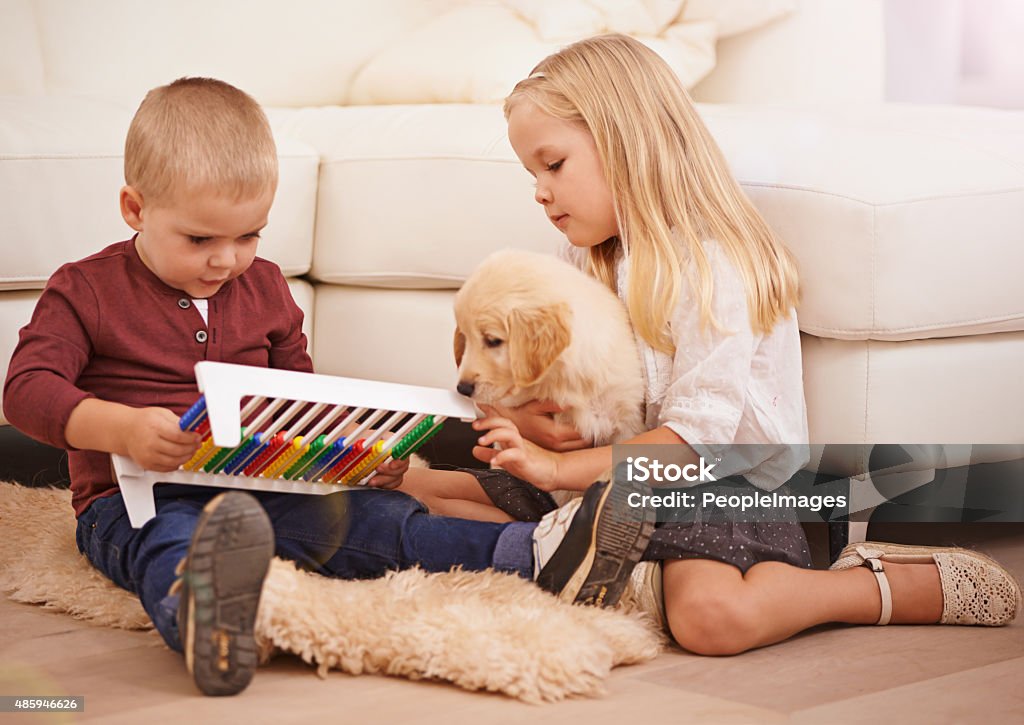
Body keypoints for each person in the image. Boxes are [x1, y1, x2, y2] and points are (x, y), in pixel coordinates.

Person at [1, 77, 655, 697]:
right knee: (169, 544)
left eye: (249, 235)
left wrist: (352, 449)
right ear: (134, 209)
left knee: (376, 521)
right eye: (200, 238)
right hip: (135, 499)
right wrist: (115, 428)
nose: (227, 260)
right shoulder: (84, 288)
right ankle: (208, 619)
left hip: (264, 483)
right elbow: (25, 389)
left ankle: (535, 553)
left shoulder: (263, 287)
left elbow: (299, 396)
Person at [393, 34, 1022, 654]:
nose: (539, 189)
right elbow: (582, 399)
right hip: (624, 485)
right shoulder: (586, 261)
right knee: (429, 492)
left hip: (726, 488)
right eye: (531, 172)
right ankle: (613, 564)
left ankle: (872, 585)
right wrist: (533, 426)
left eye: (553, 164)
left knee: (710, 619)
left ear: (626, 144)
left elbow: (704, 444)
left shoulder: (711, 267)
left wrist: (561, 468)